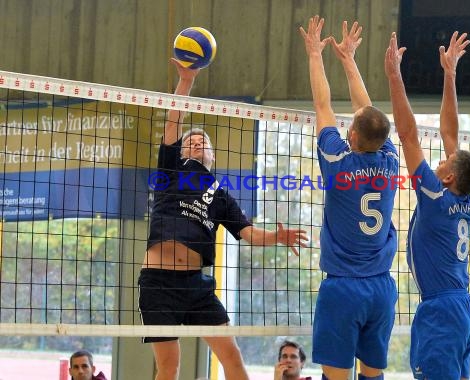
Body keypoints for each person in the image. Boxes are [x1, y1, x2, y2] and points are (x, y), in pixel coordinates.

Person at [138, 59, 309, 380]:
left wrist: (276, 237)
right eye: (191, 141)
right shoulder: (171, 172)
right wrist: (186, 81)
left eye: (204, 141)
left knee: (232, 355)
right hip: (158, 283)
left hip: (196, 285)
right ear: (183, 152)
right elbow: (173, 122)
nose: (198, 141)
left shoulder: (221, 195)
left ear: (213, 156)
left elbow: (247, 233)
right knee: (169, 366)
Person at [299, 16, 399, 380]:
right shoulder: (390, 159)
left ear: (352, 136)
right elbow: (367, 112)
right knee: (372, 377)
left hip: (343, 287)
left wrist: (315, 54)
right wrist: (349, 60)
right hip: (382, 289)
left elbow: (323, 106)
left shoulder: (338, 162)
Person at [384, 31, 470, 379]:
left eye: (445, 164)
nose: (441, 161)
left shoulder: (435, 197)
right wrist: (450, 74)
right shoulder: (465, 199)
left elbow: (408, 135)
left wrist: (394, 77)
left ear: (447, 179)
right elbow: (450, 133)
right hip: (462, 309)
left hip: (441, 310)